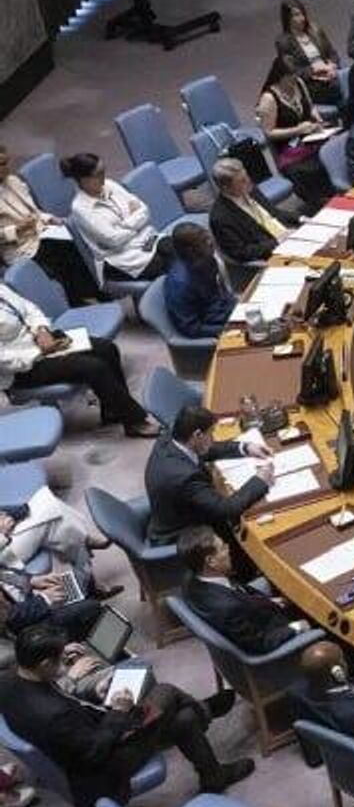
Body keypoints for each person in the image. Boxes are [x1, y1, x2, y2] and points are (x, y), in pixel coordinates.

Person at [0, 622, 251, 807]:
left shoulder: (9, 680)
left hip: (86, 732)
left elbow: (61, 703)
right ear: (44, 664)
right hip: (105, 764)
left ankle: (212, 775)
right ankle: (206, 712)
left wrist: (84, 689)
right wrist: (119, 712)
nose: (63, 663)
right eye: (58, 659)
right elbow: (94, 751)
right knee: (166, 692)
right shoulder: (53, 715)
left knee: (183, 718)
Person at [0, 272, 155, 436]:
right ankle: (134, 421)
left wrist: (42, 330)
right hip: (22, 368)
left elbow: (28, 309)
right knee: (93, 367)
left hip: (39, 341)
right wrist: (40, 351)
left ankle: (113, 411)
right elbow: (5, 359)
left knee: (107, 349)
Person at [144, 404, 272, 566]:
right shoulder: (185, 477)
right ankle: (245, 570)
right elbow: (226, 509)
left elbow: (205, 449)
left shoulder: (171, 439)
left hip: (174, 513)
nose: (212, 438)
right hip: (183, 533)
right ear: (197, 434)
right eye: (211, 433)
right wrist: (260, 480)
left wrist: (245, 447)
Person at [178, 527, 311, 654]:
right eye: (223, 547)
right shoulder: (228, 609)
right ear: (211, 561)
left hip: (257, 609)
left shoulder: (192, 579)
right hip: (274, 629)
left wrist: (268, 601)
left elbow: (237, 592)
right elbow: (260, 643)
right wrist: (296, 627)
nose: (228, 549)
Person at [0, 141, 104, 304]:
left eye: (6, 162)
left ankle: (94, 291)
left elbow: (35, 211)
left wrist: (50, 218)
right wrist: (16, 229)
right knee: (63, 251)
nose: (7, 168)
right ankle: (80, 298)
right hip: (20, 247)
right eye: (2, 164)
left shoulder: (13, 181)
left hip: (40, 232)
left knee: (77, 239)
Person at [62, 152, 172, 289]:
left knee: (182, 245)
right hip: (121, 259)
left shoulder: (110, 184)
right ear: (84, 180)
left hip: (146, 240)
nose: (104, 177)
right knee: (174, 264)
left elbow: (144, 210)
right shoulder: (81, 208)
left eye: (103, 171)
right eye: (99, 174)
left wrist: (123, 225)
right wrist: (135, 222)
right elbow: (113, 239)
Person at [255, 57, 337, 210]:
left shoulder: (299, 83)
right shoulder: (269, 98)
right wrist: (298, 130)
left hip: (310, 137)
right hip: (288, 148)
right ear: (281, 76)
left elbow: (310, 107)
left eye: (296, 75)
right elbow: (269, 132)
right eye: (291, 77)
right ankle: (321, 203)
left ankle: (337, 192)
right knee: (312, 167)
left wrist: (317, 120)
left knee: (335, 149)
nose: (295, 79)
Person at [0, 485, 108, 588]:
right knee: (51, 516)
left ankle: (84, 544)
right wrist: (2, 535)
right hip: (4, 559)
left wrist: (8, 513)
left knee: (45, 500)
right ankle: (85, 541)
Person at [207, 157, 295, 273]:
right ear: (226, 188)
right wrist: (277, 241)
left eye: (246, 176)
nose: (248, 181)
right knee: (315, 265)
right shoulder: (220, 217)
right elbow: (242, 252)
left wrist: (301, 218)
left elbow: (274, 213)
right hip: (272, 254)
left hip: (289, 236)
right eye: (242, 181)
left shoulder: (249, 189)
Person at [158, 223, 233, 339]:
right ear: (191, 249)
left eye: (208, 236)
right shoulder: (180, 284)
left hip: (224, 312)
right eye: (205, 241)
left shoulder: (207, 259)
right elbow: (191, 329)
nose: (211, 242)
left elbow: (220, 294)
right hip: (212, 326)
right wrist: (228, 329)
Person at [274, 0, 343, 101]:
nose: (302, 18)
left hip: (330, 75)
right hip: (309, 84)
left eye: (302, 14)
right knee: (341, 93)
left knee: (352, 85)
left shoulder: (315, 30)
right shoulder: (284, 42)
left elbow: (332, 53)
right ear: (288, 18)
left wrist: (332, 65)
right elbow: (293, 71)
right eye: (296, 15)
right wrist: (314, 70)